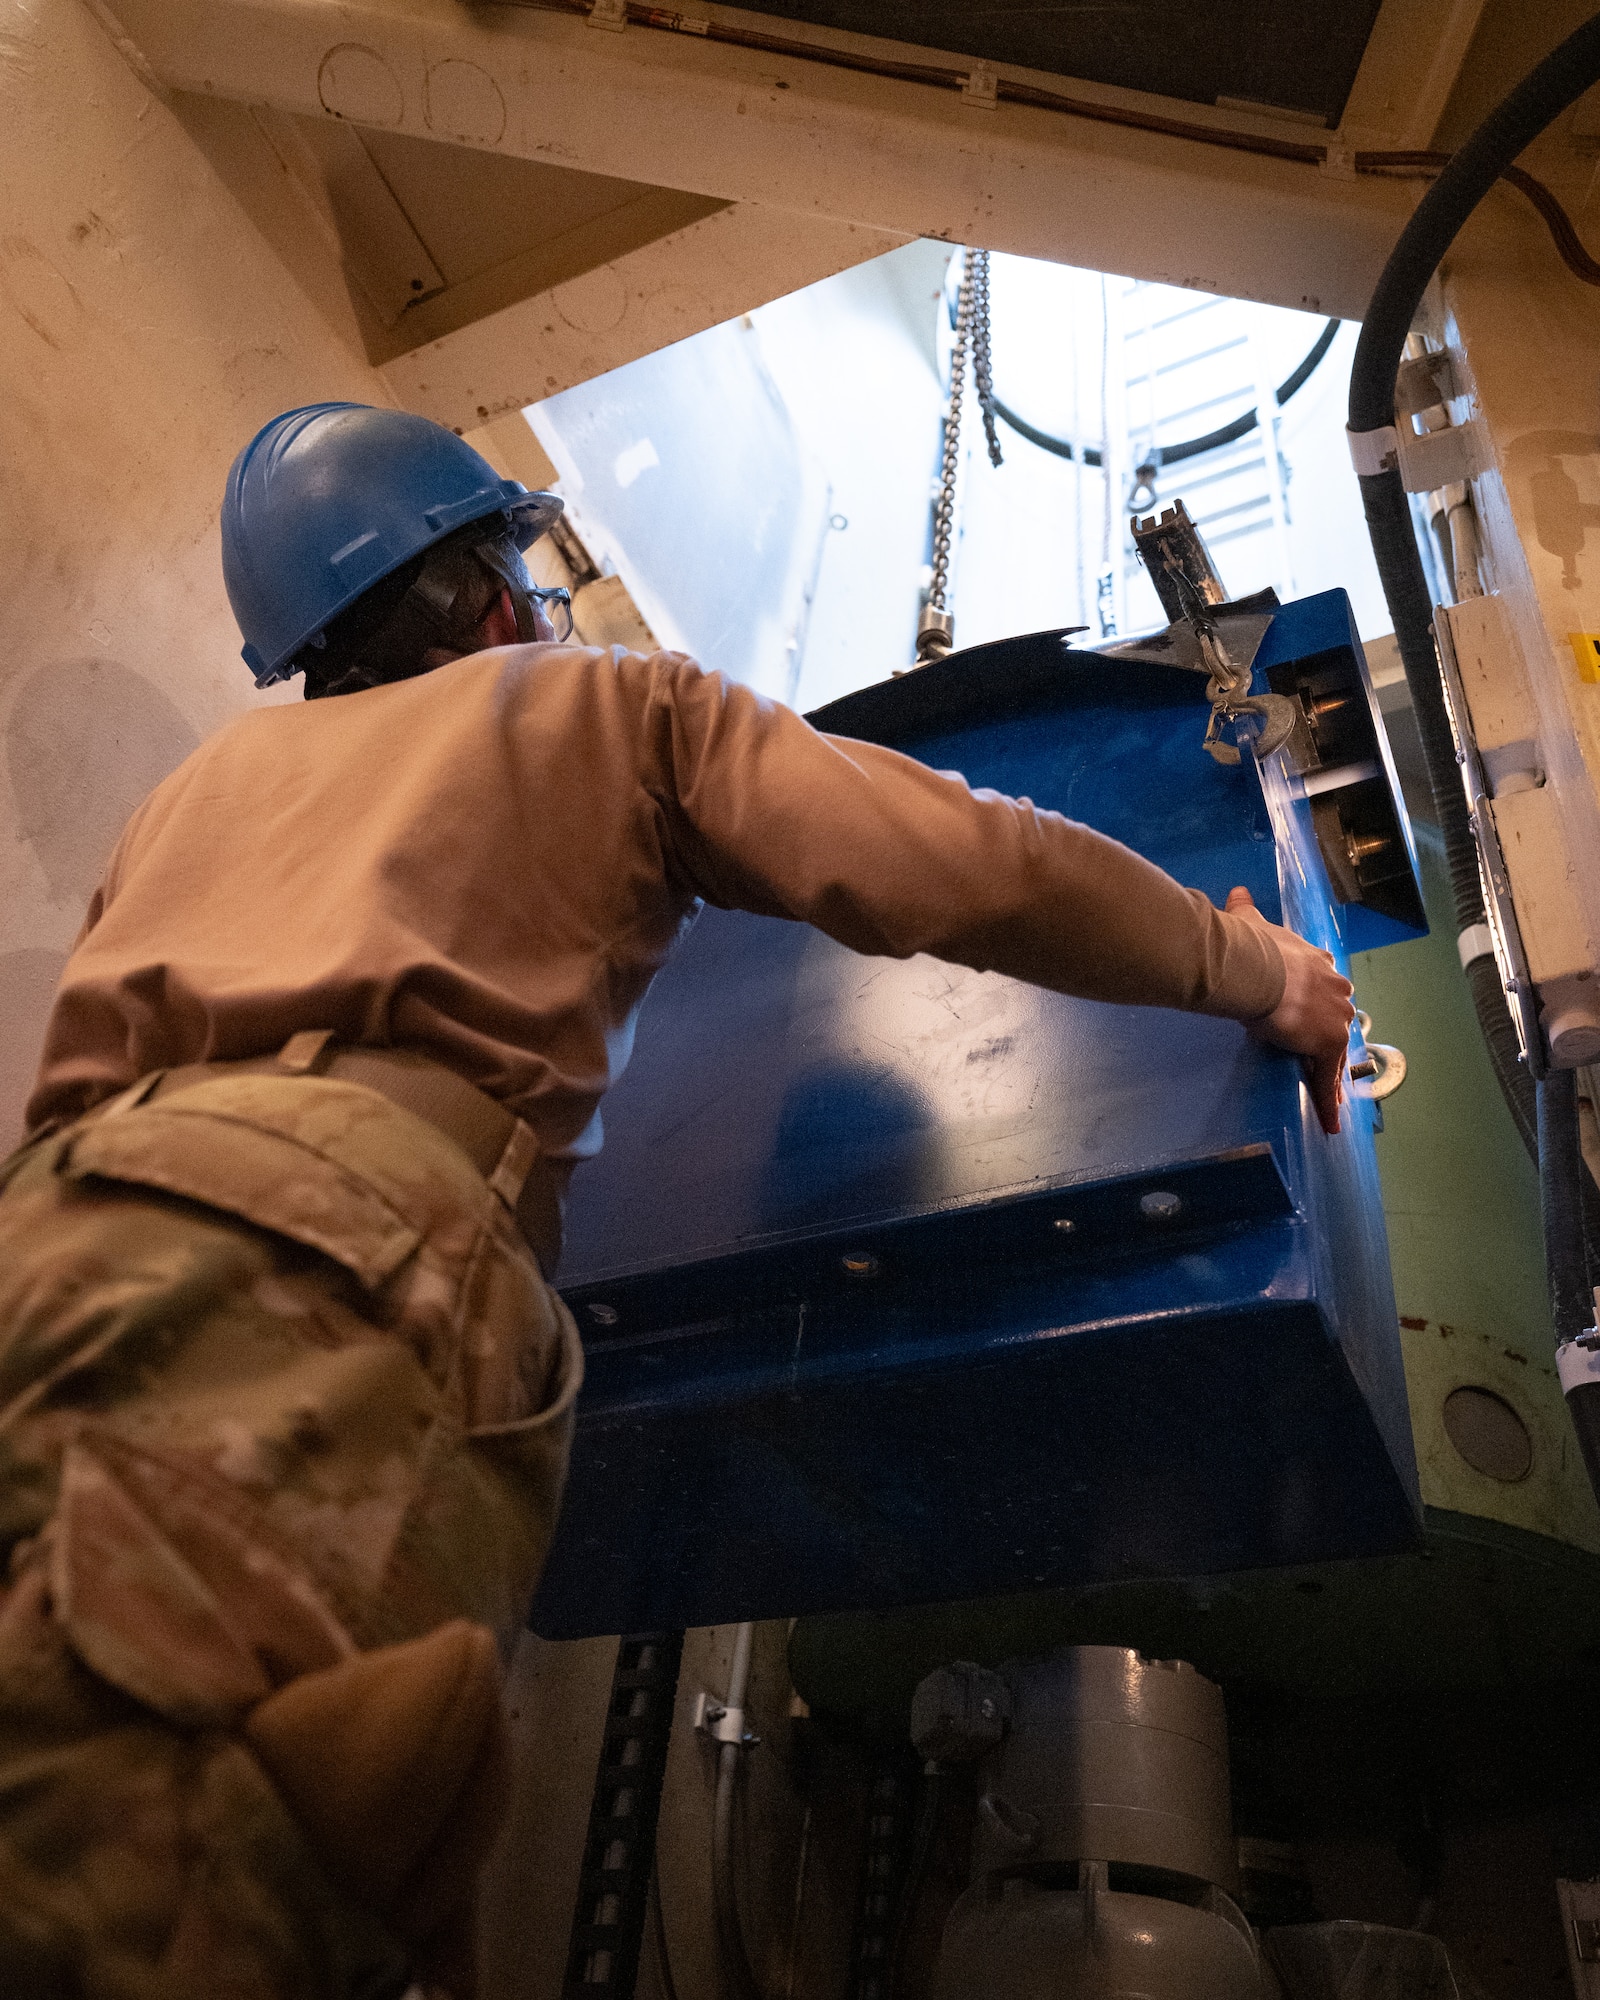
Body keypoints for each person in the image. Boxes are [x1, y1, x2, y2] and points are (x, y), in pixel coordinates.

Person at [0, 403, 1354, 1998]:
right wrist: (1258, 968)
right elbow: (971, 863)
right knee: (190, 1874)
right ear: (474, 588)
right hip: (336, 1236)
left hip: (48, 1234)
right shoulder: (602, 702)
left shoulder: (193, 794)